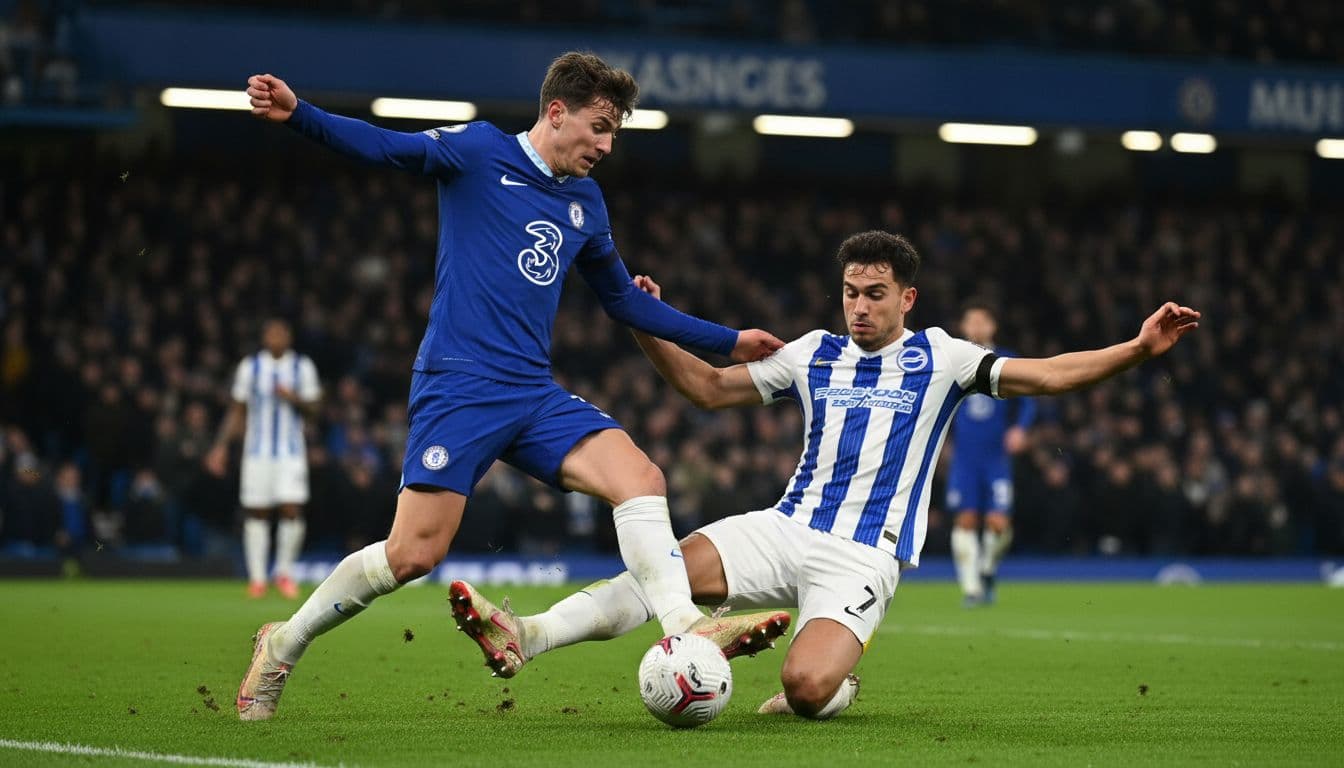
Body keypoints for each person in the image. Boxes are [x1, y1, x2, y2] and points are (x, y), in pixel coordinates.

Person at [235, 53, 787, 721]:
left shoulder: (585, 202)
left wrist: (727, 341)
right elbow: (384, 148)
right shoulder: (476, 152)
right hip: (460, 386)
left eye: (615, 134)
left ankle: (685, 623)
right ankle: (283, 643)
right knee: (414, 554)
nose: (607, 146)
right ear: (557, 112)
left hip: (531, 391)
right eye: (600, 127)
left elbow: (625, 302)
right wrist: (300, 116)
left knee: (641, 478)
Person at [450, 230, 1200, 720]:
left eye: (875, 294)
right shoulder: (814, 352)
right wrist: (649, 325)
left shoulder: (944, 357)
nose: (859, 307)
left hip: (861, 555)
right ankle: (528, 632)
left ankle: (833, 676)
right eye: (850, 291)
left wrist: (1134, 349)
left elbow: (1048, 376)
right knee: (665, 572)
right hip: (782, 527)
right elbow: (708, 389)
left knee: (807, 692)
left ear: (907, 298)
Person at [206, 318, 322, 599]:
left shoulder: (302, 366)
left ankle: (284, 573)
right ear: (264, 337)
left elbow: (316, 409)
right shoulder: (250, 367)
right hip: (256, 452)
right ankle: (257, 578)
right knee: (257, 511)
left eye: (281, 333)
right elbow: (237, 410)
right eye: (271, 334)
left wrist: (293, 397)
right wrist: (220, 446)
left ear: (289, 337)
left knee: (291, 508)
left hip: (290, 452)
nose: (276, 338)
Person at [945, 302, 1035, 606]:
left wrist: (1020, 428)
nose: (976, 327)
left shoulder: (1006, 359)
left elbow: (1029, 397)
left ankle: (987, 570)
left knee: (999, 524)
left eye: (982, 321)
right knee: (966, 520)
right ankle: (971, 589)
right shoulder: (953, 359)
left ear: (992, 326)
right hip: (964, 459)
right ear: (963, 327)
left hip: (996, 457)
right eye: (970, 321)